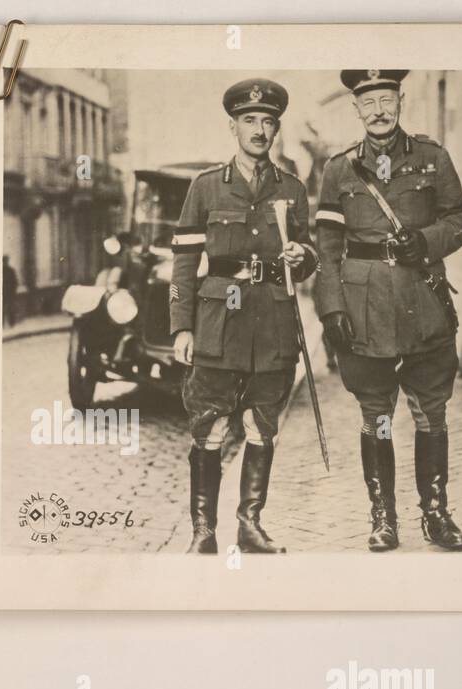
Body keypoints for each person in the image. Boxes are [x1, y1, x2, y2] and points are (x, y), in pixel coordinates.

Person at [314, 69, 462, 552]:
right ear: (356, 109)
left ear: (401, 100)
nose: (379, 110)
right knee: (376, 415)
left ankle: (436, 513)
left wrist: (426, 242)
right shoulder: (338, 170)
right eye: (369, 102)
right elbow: (326, 246)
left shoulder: (432, 157)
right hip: (364, 312)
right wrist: (330, 307)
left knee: (431, 413)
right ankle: (383, 517)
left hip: (422, 303)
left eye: (387, 99)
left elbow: (460, 219)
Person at [169, 78, 318, 554]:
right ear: (232, 126)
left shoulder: (292, 189)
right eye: (249, 120)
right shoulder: (207, 186)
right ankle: (203, 531)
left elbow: (311, 253)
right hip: (219, 324)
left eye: (267, 121)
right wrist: (182, 325)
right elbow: (185, 261)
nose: (259, 129)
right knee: (210, 426)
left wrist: (302, 256)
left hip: (271, 323)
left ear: (276, 130)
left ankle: (249, 525)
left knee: (261, 424)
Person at [2, 255, 19, 327]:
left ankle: (12, 323)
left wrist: (13, 291)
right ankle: (3, 323)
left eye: (6, 261)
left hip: (9, 293)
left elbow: (15, 282)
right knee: (2, 309)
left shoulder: (11, 270)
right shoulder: (3, 270)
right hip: (3, 293)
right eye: (4, 261)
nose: (5, 262)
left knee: (11, 308)